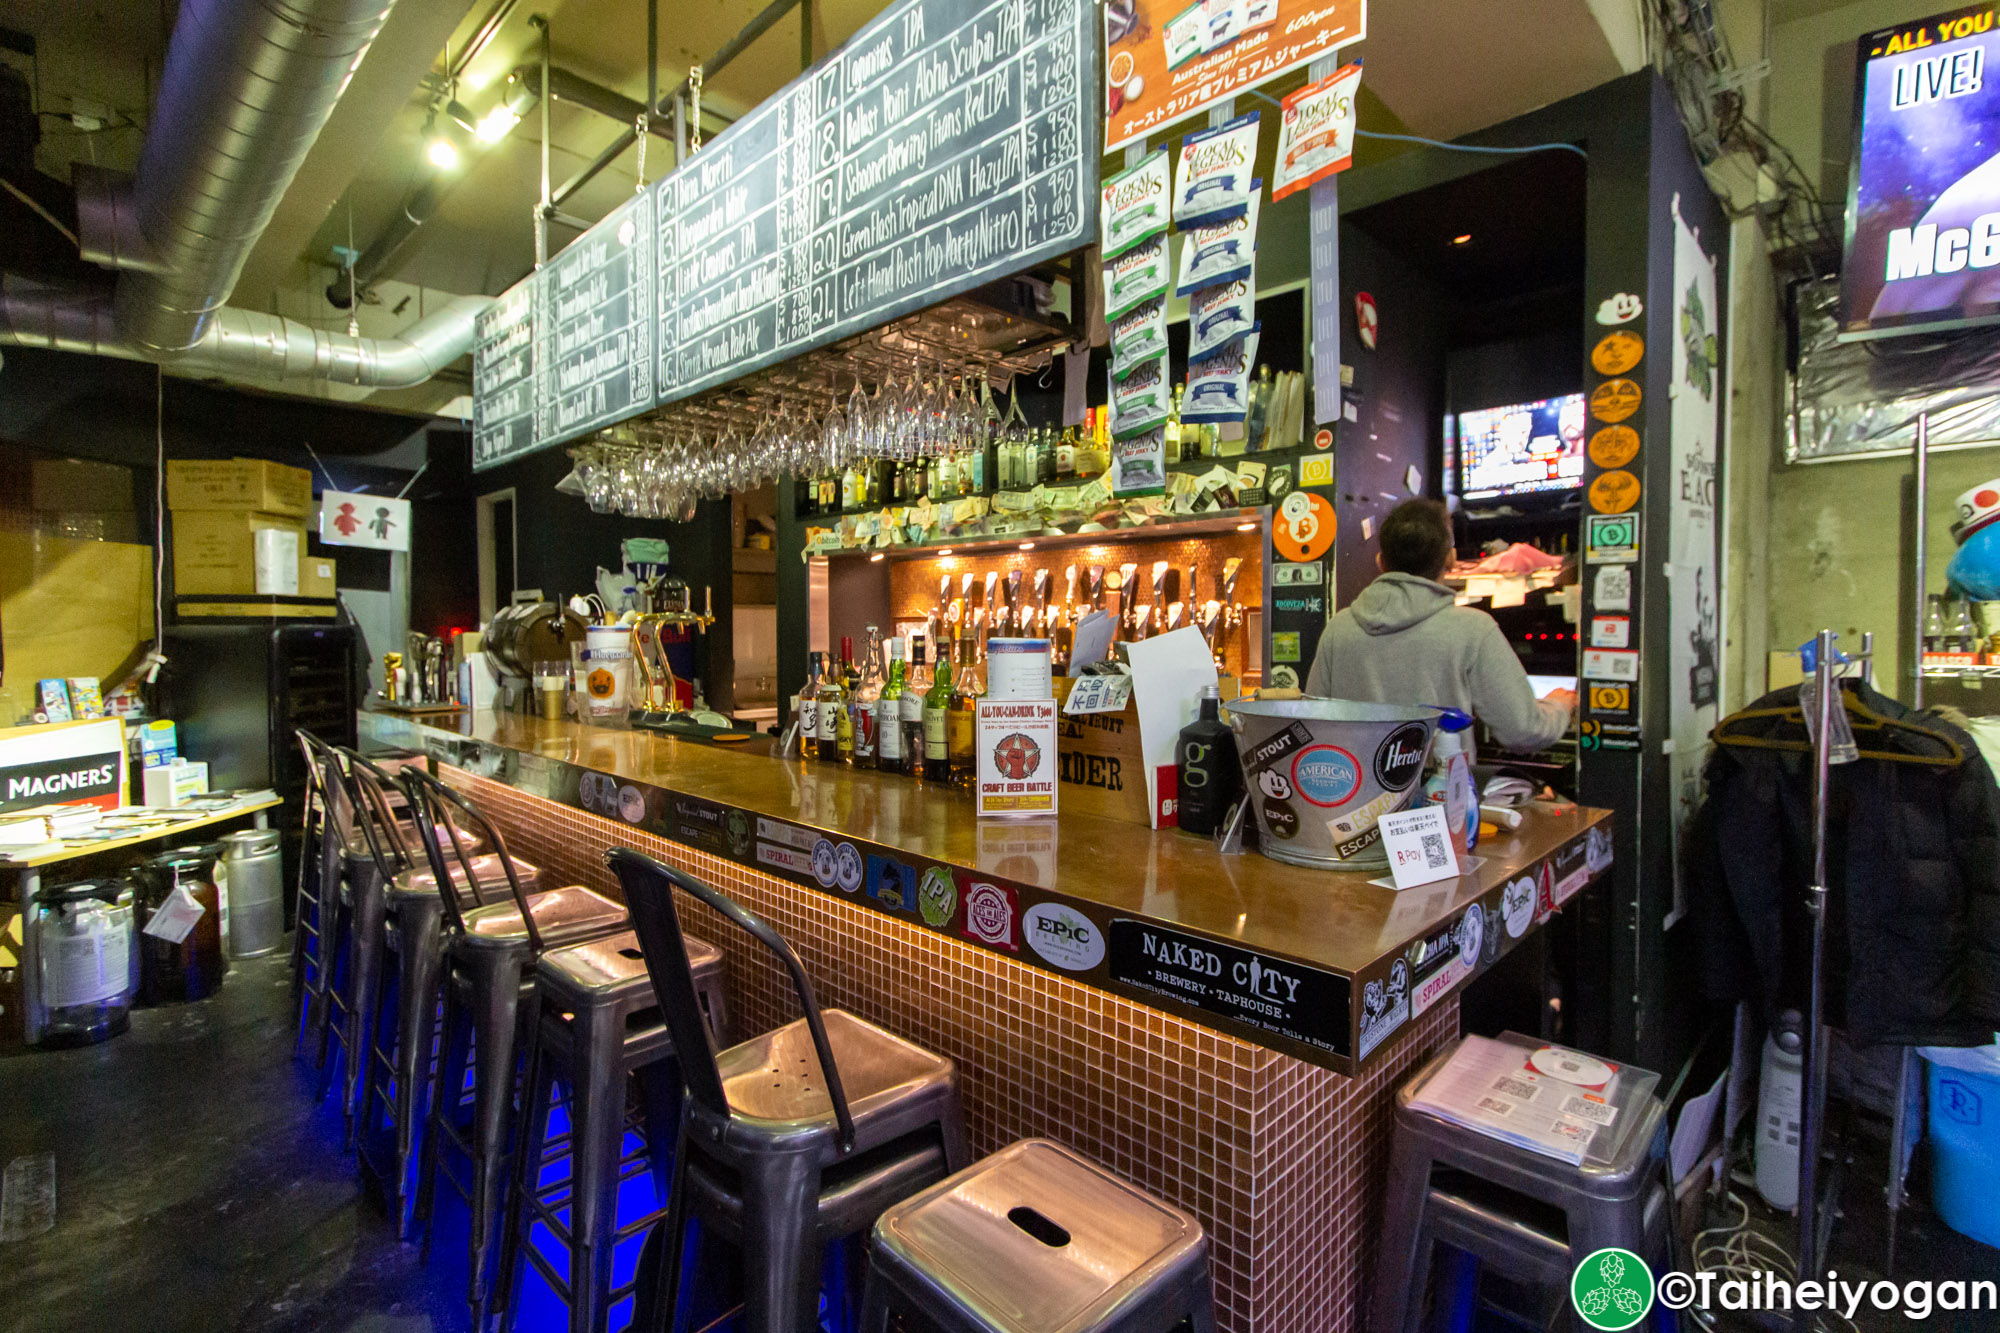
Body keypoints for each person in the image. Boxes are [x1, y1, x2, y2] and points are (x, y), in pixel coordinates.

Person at [1303, 498, 1575, 753]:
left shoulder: (1339, 628)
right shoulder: (1473, 629)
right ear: (1451, 560)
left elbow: (1312, 722)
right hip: (1440, 797)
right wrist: (1560, 706)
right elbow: (1524, 730)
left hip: (1355, 797)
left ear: (1381, 561)